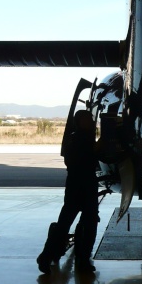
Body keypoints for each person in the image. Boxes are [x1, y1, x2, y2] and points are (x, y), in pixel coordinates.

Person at [37, 110, 100, 275]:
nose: (91, 122)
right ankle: (80, 260)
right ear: (79, 121)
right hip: (82, 185)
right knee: (82, 224)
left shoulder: (76, 138)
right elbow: (82, 160)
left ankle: (48, 256)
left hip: (78, 185)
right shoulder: (81, 139)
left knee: (71, 223)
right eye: (87, 119)